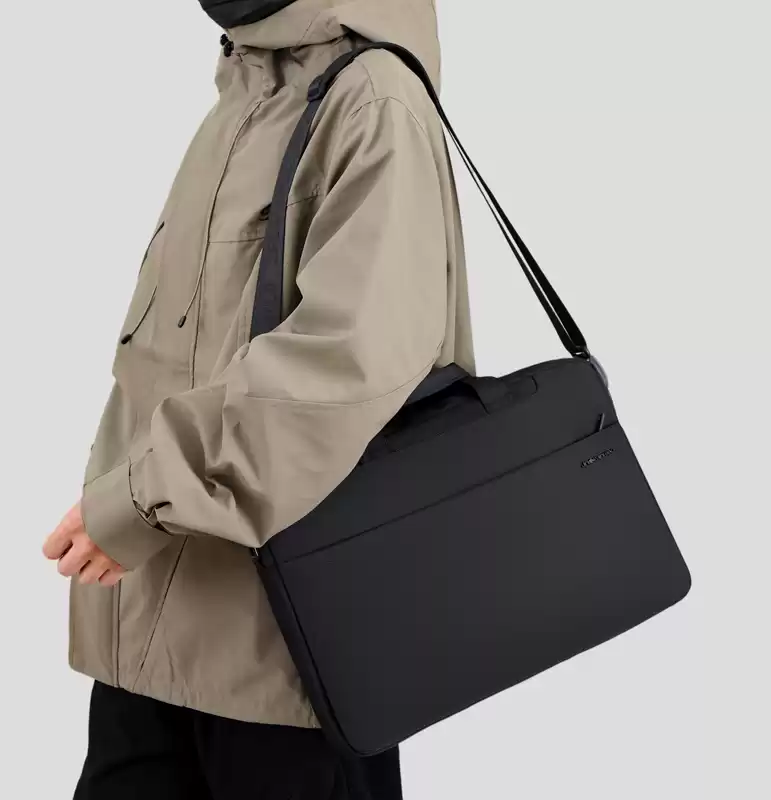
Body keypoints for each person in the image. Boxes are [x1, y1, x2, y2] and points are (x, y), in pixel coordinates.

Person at [43, 0, 475, 797]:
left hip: (289, 657)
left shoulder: (372, 100)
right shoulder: (247, 94)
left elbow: (342, 367)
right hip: (150, 631)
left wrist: (139, 501)